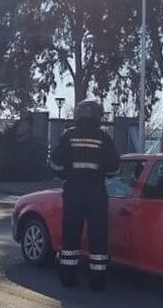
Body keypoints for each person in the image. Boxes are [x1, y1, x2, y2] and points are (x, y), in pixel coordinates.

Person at [49, 99, 120, 290]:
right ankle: (97, 280)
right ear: (98, 116)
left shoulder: (68, 135)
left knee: (71, 234)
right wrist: (101, 173)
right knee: (98, 236)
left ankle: (68, 277)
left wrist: (66, 175)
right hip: (97, 193)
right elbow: (115, 168)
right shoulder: (104, 137)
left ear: (78, 114)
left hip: (73, 192)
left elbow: (54, 163)